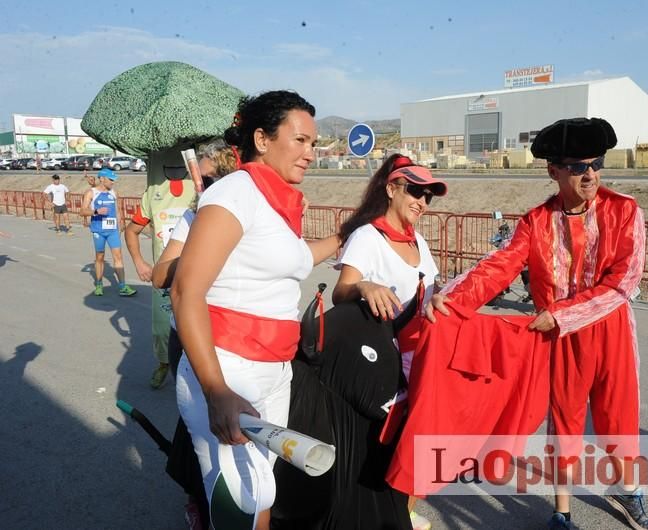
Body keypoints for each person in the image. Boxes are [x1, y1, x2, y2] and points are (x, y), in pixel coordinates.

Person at [424, 118, 648, 530]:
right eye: (577, 166)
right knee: (564, 420)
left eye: (596, 163)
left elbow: (625, 280)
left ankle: (627, 491)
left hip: (610, 328)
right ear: (554, 171)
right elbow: (499, 267)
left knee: (619, 417)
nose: (590, 174)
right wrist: (453, 298)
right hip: (558, 337)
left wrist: (564, 313)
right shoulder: (535, 222)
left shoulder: (625, 210)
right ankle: (562, 510)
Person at [170, 90, 340, 530]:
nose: (310, 153)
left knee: (261, 491)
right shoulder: (236, 193)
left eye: (314, 144)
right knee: (237, 503)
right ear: (262, 139)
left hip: (274, 371)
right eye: (300, 140)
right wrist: (216, 390)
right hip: (229, 370)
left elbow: (299, 258)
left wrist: (352, 230)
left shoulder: (278, 202)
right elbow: (186, 291)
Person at [332, 154, 446, 530]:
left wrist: (444, 294)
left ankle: (404, 512)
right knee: (393, 444)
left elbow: (429, 287)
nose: (421, 202)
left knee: (423, 441)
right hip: (383, 360)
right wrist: (365, 285)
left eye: (428, 196)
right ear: (392, 188)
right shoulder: (368, 236)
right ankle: (387, 515)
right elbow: (340, 292)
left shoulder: (419, 240)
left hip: (424, 355)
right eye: (414, 191)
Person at [124, 141, 232, 389]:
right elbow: (132, 231)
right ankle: (165, 364)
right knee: (167, 332)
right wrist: (141, 262)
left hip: (212, 291)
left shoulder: (207, 192)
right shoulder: (156, 195)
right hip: (168, 278)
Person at [79, 167, 137, 297]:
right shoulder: (91, 193)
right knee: (100, 257)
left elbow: (117, 210)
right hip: (98, 230)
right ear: (102, 179)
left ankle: (122, 286)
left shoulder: (114, 193)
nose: (113, 182)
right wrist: (96, 211)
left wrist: (121, 223)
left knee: (118, 257)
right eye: (111, 179)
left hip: (112, 230)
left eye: (114, 179)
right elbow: (82, 211)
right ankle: (99, 284)